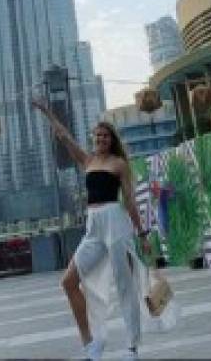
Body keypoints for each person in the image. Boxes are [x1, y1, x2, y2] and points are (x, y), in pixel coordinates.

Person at [32, 98, 151, 361]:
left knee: (125, 286)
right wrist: (46, 111)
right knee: (68, 282)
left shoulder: (119, 164)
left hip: (115, 222)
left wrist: (142, 234)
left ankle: (132, 347)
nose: (100, 139)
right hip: (93, 225)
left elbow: (129, 200)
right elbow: (64, 137)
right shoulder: (87, 161)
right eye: (97, 135)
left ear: (112, 139)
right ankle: (91, 344)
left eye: (105, 136)